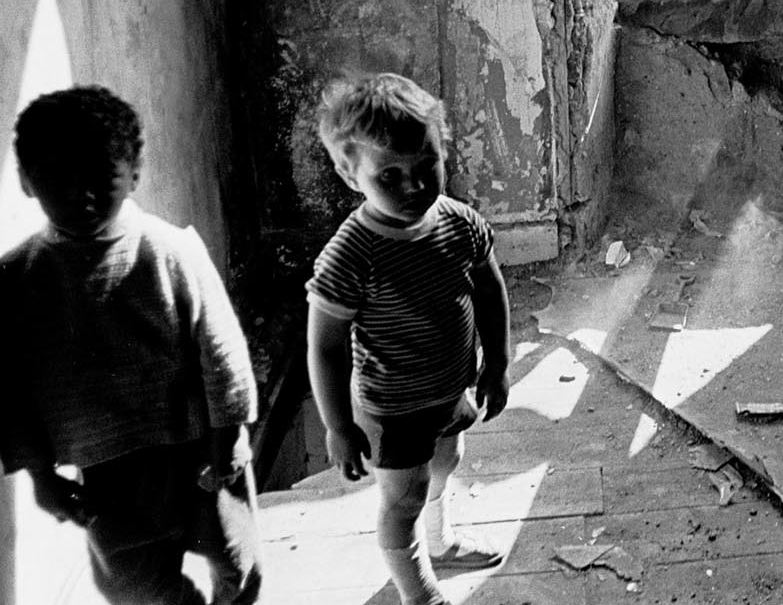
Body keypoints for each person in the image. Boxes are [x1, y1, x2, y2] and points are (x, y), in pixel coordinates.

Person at [0, 85, 263, 604]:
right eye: (57, 179)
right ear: (27, 182)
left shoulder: (169, 250)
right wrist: (39, 476)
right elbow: (9, 392)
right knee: (135, 585)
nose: (82, 195)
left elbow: (222, 350)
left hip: (198, 454)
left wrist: (229, 436)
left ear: (135, 173)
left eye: (100, 177)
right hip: (106, 474)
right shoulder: (16, 278)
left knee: (238, 565)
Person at [306, 72, 512, 605]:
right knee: (403, 500)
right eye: (389, 177)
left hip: (450, 390)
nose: (414, 187)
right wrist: (338, 427)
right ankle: (418, 593)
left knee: (446, 465)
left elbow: (490, 292)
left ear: (444, 151)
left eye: (426, 168)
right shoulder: (351, 254)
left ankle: (439, 542)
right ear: (351, 175)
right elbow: (326, 347)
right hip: (391, 411)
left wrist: (498, 365)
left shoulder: (461, 223)